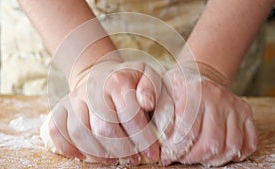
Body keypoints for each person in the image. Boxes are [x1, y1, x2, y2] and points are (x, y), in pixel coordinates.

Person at [14, 0, 274, 167]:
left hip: (227, 25)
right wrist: (87, 68)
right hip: (57, 25)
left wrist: (209, 68)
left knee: (212, 131)